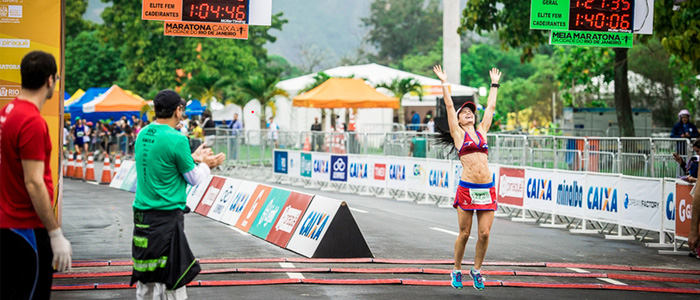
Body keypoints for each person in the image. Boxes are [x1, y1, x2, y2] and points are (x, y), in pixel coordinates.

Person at [131, 89, 225, 299]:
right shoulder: (177, 139)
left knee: (146, 277)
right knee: (174, 278)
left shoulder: (143, 134)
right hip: (166, 217)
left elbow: (163, 162)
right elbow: (194, 178)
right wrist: (207, 164)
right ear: (177, 110)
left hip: (142, 217)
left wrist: (194, 158)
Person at [0, 51, 72, 299]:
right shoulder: (31, 121)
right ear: (50, 80)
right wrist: (55, 233)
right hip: (26, 228)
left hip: (9, 225)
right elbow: (34, 182)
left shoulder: (7, 111)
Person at [433, 65, 501, 291]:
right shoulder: (459, 134)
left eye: (471, 111)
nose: (468, 113)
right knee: (465, 233)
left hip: (487, 189)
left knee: (484, 234)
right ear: (460, 121)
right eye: (465, 113)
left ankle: (477, 270)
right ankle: (456, 269)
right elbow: (450, 106)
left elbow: (491, 106)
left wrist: (494, 84)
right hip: (467, 188)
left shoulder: (482, 130)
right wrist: (444, 82)